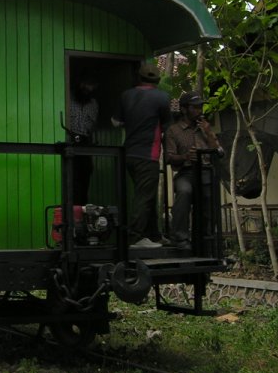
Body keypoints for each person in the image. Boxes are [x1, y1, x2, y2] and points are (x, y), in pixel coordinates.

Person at [113, 61, 170, 248]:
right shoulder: (162, 98)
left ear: (139, 77)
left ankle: (153, 235)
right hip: (148, 155)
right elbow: (167, 127)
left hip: (128, 152)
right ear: (158, 80)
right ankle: (135, 237)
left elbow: (116, 122)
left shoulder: (126, 95)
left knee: (148, 195)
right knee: (143, 197)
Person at [165, 92, 223, 251]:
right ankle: (180, 237)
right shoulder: (174, 130)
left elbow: (218, 152)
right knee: (184, 192)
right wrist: (185, 156)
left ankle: (206, 239)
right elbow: (169, 157)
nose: (199, 110)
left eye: (200, 107)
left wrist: (209, 132)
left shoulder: (205, 127)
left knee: (208, 198)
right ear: (184, 109)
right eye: (195, 107)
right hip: (186, 172)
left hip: (205, 172)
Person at [67, 76, 99, 204]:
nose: (88, 90)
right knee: (71, 176)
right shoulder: (67, 99)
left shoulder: (94, 104)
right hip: (70, 140)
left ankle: (82, 206)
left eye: (91, 88)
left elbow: (93, 126)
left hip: (86, 142)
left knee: (85, 174)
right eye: (85, 86)